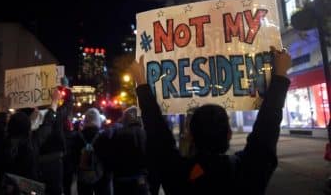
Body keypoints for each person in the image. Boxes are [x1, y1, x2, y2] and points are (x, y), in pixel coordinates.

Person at [130, 46, 291, 195]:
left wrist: (142, 83)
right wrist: (280, 74)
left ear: (191, 135)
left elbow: (158, 136)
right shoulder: (248, 172)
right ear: (229, 134)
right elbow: (267, 127)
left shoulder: (178, 175)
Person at [111, 106, 149, 195]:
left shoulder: (117, 133)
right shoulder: (144, 133)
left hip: (121, 179)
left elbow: (112, 156)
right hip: (140, 179)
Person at [75, 108, 112, 195]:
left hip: (83, 176)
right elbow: (109, 158)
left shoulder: (78, 137)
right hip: (102, 176)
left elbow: (74, 157)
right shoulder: (104, 136)